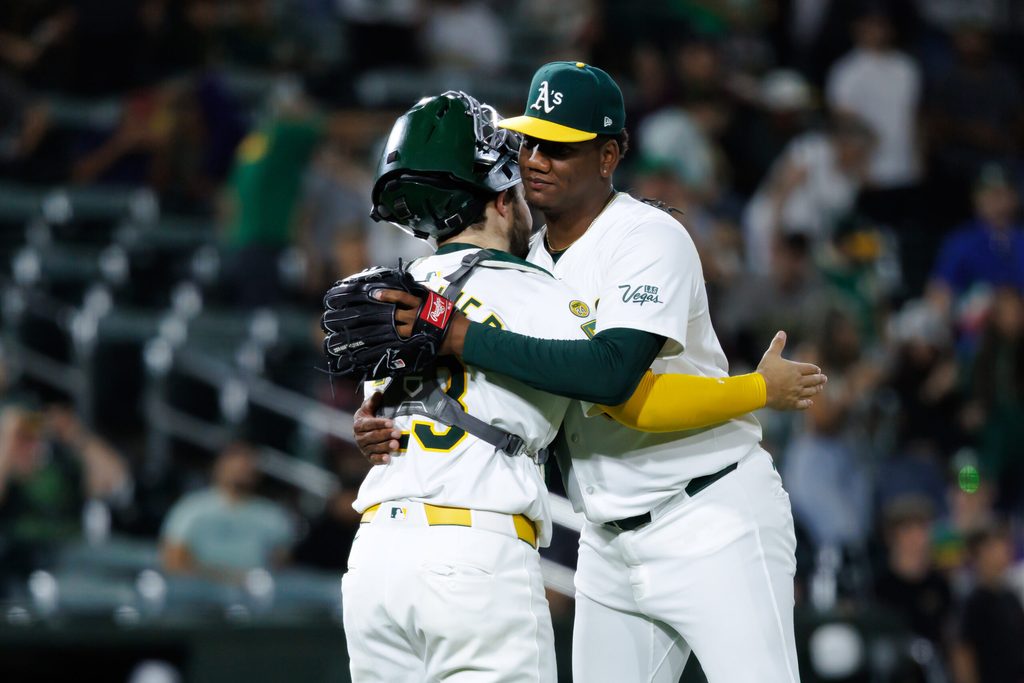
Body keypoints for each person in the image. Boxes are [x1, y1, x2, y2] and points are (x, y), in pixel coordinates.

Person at [360, 62, 823, 682]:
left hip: (709, 513)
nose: (536, 159)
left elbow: (613, 381)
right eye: (528, 141)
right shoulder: (521, 260)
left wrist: (758, 390)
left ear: (609, 155)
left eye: (561, 146)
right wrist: (390, 414)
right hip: (607, 539)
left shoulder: (648, 236)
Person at [159, 441, 294, 581]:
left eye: (248, 460)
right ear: (218, 464)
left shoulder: (273, 516)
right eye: (235, 458)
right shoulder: (190, 508)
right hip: (199, 593)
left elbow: (281, 568)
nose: (241, 466)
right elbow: (172, 559)